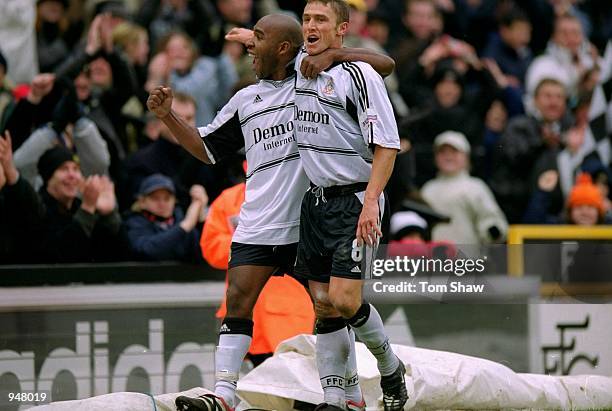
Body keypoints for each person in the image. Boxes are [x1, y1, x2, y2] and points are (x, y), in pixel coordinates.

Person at [148, 13, 393, 411]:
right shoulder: (246, 100)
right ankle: (224, 393)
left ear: (283, 49)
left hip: (307, 219)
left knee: (329, 305)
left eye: (258, 41)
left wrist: (332, 54)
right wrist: (168, 117)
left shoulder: (311, 81)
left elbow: (382, 65)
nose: (248, 52)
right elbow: (207, 149)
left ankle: (346, 394)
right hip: (259, 222)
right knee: (238, 298)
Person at [292, 1, 406, 409]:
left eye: (320, 19)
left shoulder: (359, 75)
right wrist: (248, 40)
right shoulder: (296, 68)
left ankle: (391, 367)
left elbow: (387, 147)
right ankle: (337, 399)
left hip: (356, 197)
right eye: (306, 19)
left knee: (344, 298)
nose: (310, 26)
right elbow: (270, 43)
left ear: (341, 29)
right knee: (323, 303)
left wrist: (371, 201)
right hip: (316, 201)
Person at [200, 170, 315, 366]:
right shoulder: (229, 199)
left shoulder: (304, 194)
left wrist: (251, 243)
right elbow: (211, 248)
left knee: (294, 386)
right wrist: (249, 244)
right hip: (246, 312)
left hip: (289, 314)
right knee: (259, 389)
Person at [421, 131, 508, 245]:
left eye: (454, 151)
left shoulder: (475, 187)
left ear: (466, 156)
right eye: (442, 152)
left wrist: (493, 231)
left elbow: (492, 220)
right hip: (432, 259)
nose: (448, 156)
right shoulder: (427, 189)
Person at [124, 173, 207, 262]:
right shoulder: (134, 223)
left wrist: (201, 217)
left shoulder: (180, 220)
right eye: (155, 198)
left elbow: (202, 255)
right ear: (142, 202)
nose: (162, 204)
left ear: (174, 201)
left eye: (167, 198)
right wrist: (184, 226)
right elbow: (146, 250)